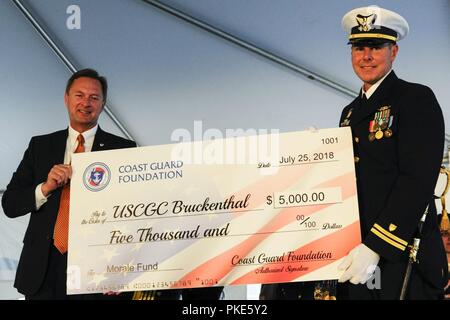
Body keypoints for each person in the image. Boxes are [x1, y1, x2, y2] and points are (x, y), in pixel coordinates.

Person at [337, 6, 448, 299]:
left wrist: (376, 246)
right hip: (355, 254)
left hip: (399, 255)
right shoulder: (349, 113)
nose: (366, 56)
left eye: (376, 46)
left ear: (394, 52)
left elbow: (417, 180)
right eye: (359, 47)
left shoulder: (414, 98)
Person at [1, 68, 138, 299]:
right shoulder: (40, 146)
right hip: (42, 269)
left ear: (103, 103)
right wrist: (44, 188)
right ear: (66, 98)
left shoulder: (123, 149)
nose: (86, 102)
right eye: (79, 95)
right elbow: (10, 204)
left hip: (98, 269)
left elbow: (135, 216)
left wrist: (122, 270)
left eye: (94, 97)